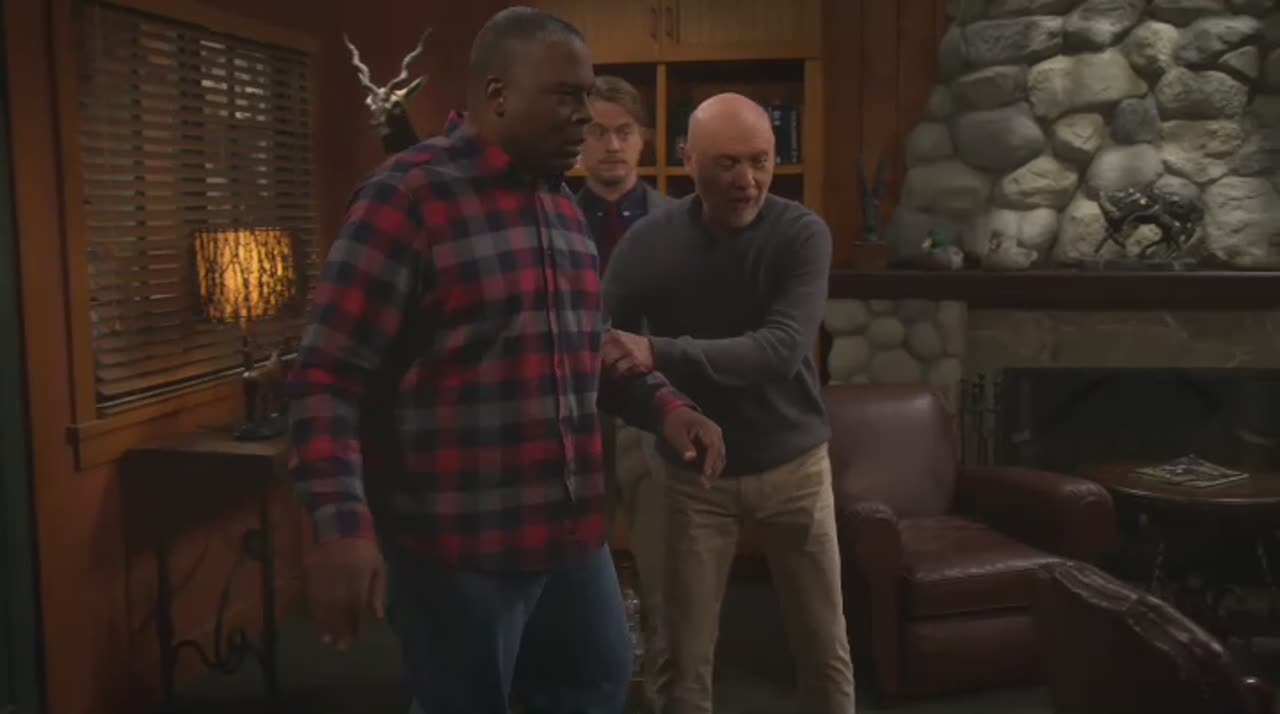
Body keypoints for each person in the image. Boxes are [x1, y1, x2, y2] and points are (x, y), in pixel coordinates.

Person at [287, 7, 727, 714]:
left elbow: (586, 347)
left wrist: (666, 409)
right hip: (458, 549)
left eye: (589, 97)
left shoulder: (564, 209)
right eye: (567, 97)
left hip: (570, 536)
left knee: (598, 680)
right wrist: (340, 525)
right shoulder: (407, 198)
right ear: (497, 94)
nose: (585, 117)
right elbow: (326, 379)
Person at [602, 92, 855, 714]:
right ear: (688, 160)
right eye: (727, 164)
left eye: (760, 161)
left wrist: (659, 351)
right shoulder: (648, 244)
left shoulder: (802, 234)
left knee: (825, 650)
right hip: (692, 478)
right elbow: (605, 349)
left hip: (795, 469)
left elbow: (779, 350)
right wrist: (657, 405)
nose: (747, 181)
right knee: (682, 662)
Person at [575, 73, 676, 709]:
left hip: (650, 415)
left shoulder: (679, 221)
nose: (611, 145)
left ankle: (665, 694)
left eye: (624, 132)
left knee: (665, 574)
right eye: (596, 131)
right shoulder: (551, 214)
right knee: (574, 574)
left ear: (644, 140)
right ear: (579, 140)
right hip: (574, 418)